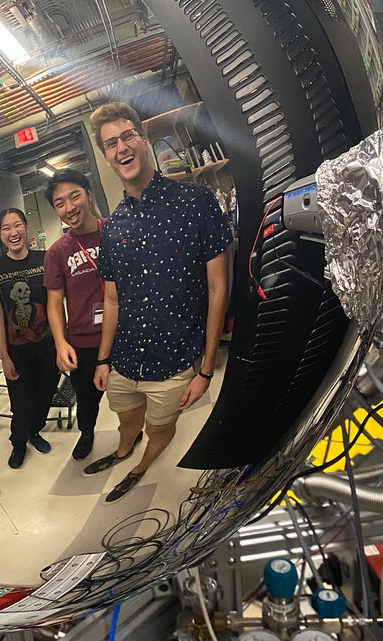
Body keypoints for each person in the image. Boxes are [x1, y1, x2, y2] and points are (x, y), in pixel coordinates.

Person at [86, 102, 231, 504]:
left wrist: (205, 368)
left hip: (176, 360)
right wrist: (102, 359)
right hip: (125, 359)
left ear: (143, 141)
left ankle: (141, 464)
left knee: (160, 426)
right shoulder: (113, 228)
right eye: (111, 143)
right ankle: (122, 448)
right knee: (125, 417)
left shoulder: (196, 201)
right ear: (106, 158)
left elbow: (219, 288)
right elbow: (111, 300)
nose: (121, 147)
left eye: (127, 136)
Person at [0, 208, 60, 470]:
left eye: (17, 225)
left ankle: (34, 431)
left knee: (46, 395)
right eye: (6, 228)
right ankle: (18, 442)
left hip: (48, 347)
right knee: (21, 404)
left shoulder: (45, 258)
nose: (12, 232)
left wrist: (63, 343)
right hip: (17, 353)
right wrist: (4, 357)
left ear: (26, 227)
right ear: (0, 234)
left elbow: (55, 306)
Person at [43, 169, 107, 461]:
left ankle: (131, 429)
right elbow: (54, 303)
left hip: (123, 333)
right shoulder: (57, 252)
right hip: (82, 339)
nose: (69, 207)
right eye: (59, 203)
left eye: (74, 196)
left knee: (130, 391)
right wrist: (60, 343)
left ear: (88, 193)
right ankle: (87, 433)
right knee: (86, 396)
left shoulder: (114, 231)